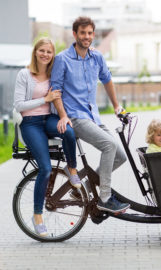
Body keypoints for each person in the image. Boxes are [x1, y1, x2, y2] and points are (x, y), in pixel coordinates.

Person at [50, 16, 130, 214]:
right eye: (82, 33)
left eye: (90, 33)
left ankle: (83, 188)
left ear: (93, 35)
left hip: (92, 116)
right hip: (75, 117)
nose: (86, 37)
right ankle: (105, 198)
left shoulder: (96, 57)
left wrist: (116, 106)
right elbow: (56, 91)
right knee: (109, 145)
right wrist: (63, 116)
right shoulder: (63, 59)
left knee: (120, 156)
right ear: (74, 34)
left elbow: (107, 80)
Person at [14, 38, 81, 236]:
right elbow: (19, 105)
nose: (45, 54)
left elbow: (72, 62)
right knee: (44, 168)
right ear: (35, 52)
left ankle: (72, 169)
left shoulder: (53, 74)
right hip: (31, 124)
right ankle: (37, 215)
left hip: (49, 119)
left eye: (49, 52)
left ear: (53, 55)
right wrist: (45, 99)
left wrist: (87, 49)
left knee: (69, 131)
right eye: (41, 50)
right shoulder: (24, 74)